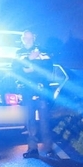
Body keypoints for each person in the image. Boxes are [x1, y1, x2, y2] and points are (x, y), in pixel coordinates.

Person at [13, 30, 54, 158]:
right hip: (27, 90)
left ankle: (49, 149)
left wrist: (30, 67)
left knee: (44, 120)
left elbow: (48, 66)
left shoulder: (42, 51)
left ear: (34, 38)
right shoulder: (19, 53)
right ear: (22, 39)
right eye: (26, 38)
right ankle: (32, 149)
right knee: (30, 121)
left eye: (30, 38)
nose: (28, 40)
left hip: (41, 89)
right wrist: (30, 59)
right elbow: (16, 68)